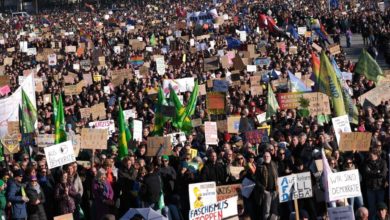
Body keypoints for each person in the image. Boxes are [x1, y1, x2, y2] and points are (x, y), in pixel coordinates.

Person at [253, 151, 279, 220]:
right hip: (266, 192)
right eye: (265, 156)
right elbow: (256, 180)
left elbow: (277, 176)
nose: (266, 157)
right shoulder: (260, 167)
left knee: (275, 210)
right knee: (266, 211)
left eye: (268, 156)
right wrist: (263, 189)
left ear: (270, 157)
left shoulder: (274, 165)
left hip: (275, 191)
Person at [364, 149, 388, 219]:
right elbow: (366, 173)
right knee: (372, 207)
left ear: (376, 154)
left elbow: (383, 174)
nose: (370, 156)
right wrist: (377, 172)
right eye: (369, 154)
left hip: (380, 187)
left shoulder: (383, 162)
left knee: (381, 207)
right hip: (370, 188)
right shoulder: (367, 162)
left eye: (371, 154)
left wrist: (372, 172)